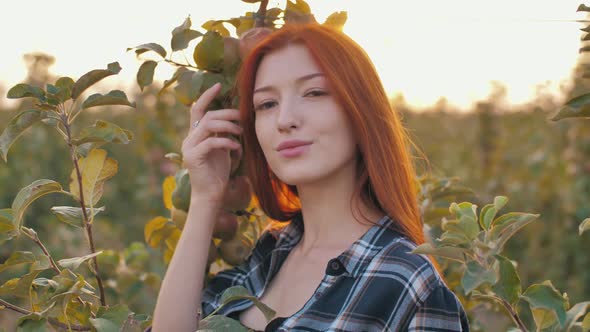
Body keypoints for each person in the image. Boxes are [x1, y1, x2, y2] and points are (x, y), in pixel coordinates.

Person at [150, 23, 470, 331]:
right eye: (267, 103)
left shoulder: (408, 280)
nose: (285, 119)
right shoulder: (271, 252)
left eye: (314, 92)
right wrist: (206, 197)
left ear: (362, 109)